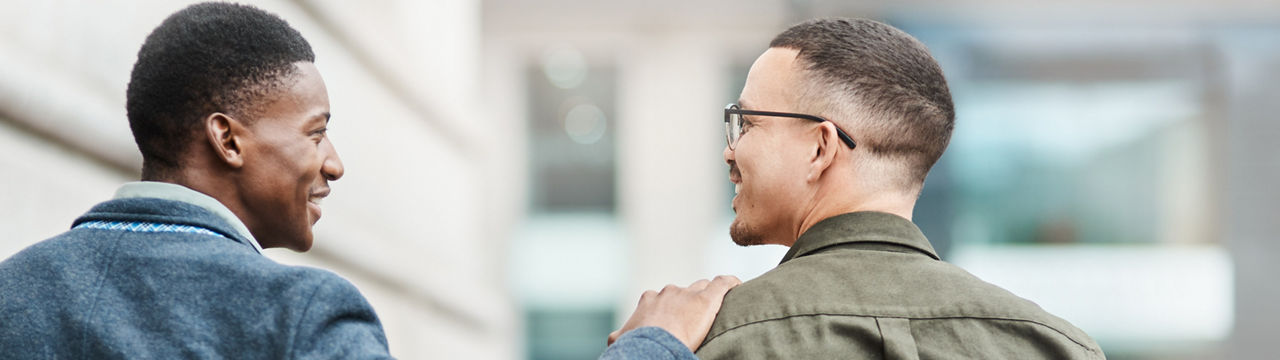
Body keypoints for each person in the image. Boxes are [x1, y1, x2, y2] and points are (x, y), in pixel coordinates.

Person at [0, 3, 735, 359]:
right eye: (316, 132)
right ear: (226, 139)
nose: (335, 162)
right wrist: (656, 346)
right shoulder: (298, 315)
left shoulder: (16, 292)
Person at [695, 18, 1106, 359]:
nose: (730, 152)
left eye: (747, 124)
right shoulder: (1056, 347)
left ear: (821, 148)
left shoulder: (712, 339)